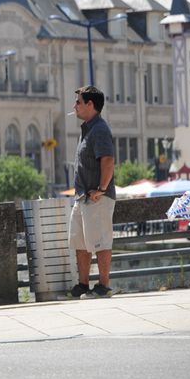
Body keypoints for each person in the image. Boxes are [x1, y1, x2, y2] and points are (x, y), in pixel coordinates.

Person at [68, 85, 116, 299]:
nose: (74, 106)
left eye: (78, 102)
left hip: (97, 198)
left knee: (100, 241)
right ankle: (83, 285)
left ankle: (103, 285)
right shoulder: (87, 129)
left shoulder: (99, 129)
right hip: (82, 197)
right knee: (80, 242)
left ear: (90, 105)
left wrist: (102, 189)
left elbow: (108, 160)